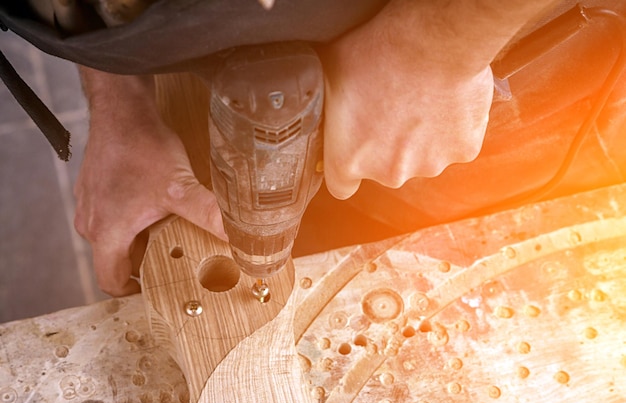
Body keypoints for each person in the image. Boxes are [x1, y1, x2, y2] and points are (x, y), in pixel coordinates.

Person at [71, 0, 571, 296]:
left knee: (470, 249)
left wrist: (439, 44)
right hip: (207, 34)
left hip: (490, 61)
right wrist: (118, 98)